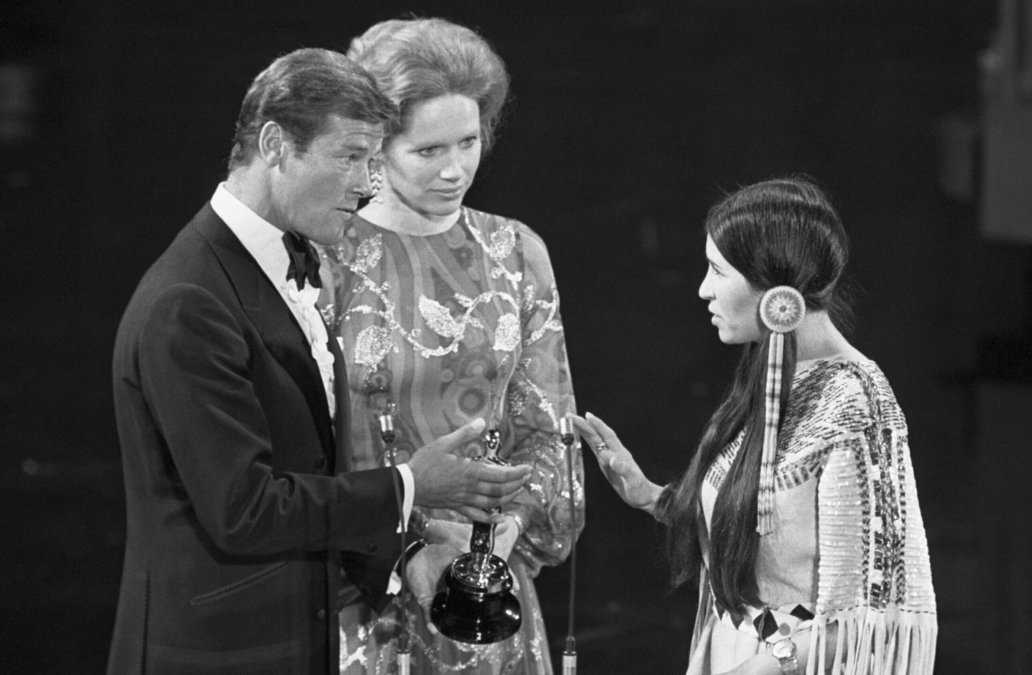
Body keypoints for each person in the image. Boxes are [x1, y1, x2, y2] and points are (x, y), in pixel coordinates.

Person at [108, 48, 531, 675]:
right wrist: (413, 485)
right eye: (351, 157)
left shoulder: (279, 266)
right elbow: (245, 510)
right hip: (214, 653)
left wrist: (407, 551)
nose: (368, 182)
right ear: (276, 145)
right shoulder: (189, 300)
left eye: (372, 157)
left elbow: (307, 471)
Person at [570, 177, 937, 674]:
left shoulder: (857, 404)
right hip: (740, 653)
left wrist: (762, 666)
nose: (703, 289)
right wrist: (651, 495)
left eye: (718, 271)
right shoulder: (771, 373)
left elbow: (868, 614)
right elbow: (761, 526)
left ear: (775, 291)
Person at [321, 18, 582, 675]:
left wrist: (500, 539)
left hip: (487, 600)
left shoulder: (516, 251)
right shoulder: (325, 257)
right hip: (359, 596)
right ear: (376, 148)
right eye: (429, 150)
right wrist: (409, 547)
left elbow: (551, 432)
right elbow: (303, 450)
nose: (456, 168)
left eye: (468, 141)